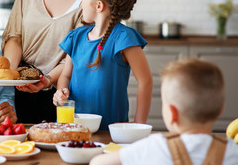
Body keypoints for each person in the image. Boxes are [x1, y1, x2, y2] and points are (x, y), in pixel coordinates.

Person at [2, 0, 88, 123]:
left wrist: (46, 80)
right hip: (21, 89)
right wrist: (9, 75)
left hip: (61, 94)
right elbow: (15, 36)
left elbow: (76, 56)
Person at [53, 0, 153, 130]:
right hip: (73, 128)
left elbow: (146, 81)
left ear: (99, 5)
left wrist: (139, 123)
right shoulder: (76, 37)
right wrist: (61, 92)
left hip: (111, 131)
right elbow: (65, 75)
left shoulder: (124, 38)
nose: (80, 2)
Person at [90, 58, 238, 165]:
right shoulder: (233, 151)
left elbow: (98, 163)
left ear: (172, 113)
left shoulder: (154, 146)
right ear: (220, 110)